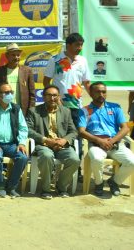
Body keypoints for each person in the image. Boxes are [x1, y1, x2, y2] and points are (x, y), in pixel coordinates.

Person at [44, 33, 90, 181]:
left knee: (77, 137)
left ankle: (77, 169)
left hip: (77, 106)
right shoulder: (55, 60)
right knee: (55, 135)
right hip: (57, 106)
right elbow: (46, 81)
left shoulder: (83, 61)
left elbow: (86, 82)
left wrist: (95, 98)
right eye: (77, 45)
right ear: (68, 45)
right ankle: (51, 168)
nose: (80, 48)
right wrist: (55, 99)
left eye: (81, 45)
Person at [78, 82, 134, 196]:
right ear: (91, 93)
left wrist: (112, 141)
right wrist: (99, 141)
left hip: (115, 144)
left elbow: (125, 128)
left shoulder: (115, 107)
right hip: (96, 144)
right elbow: (81, 131)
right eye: (97, 92)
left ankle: (114, 182)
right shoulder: (84, 110)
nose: (101, 94)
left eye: (104, 92)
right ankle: (99, 183)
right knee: (97, 159)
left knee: (132, 162)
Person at [26, 85, 80, 199]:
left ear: (59, 97)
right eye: (49, 95)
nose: (52, 98)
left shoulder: (66, 111)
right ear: (43, 97)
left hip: (62, 145)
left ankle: (61, 186)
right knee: (46, 155)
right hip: (43, 144)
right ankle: (46, 189)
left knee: (75, 159)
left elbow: (73, 131)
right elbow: (28, 130)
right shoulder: (34, 111)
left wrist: (64, 140)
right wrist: (46, 140)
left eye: (55, 95)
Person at [0, 43, 35, 116]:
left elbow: (32, 93)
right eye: (13, 55)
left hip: (23, 110)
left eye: (18, 55)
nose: (16, 57)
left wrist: (31, 110)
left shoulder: (27, 70)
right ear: (7, 56)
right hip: (4, 109)